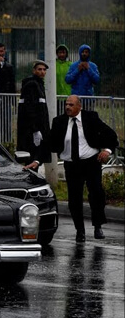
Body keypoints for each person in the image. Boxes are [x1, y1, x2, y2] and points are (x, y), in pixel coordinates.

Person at [50, 95, 118, 242]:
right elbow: (50, 142)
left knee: (96, 193)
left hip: (91, 162)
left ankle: (98, 226)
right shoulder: (59, 122)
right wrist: (37, 159)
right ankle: (79, 231)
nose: (68, 107)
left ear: (79, 106)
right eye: (66, 104)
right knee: (74, 199)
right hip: (71, 164)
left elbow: (111, 135)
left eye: (71, 105)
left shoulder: (91, 118)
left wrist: (106, 150)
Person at [17, 60, 51, 170]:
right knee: (32, 157)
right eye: (39, 69)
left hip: (37, 128)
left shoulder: (38, 84)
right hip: (32, 130)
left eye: (44, 70)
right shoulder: (32, 85)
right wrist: (35, 129)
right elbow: (29, 109)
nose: (42, 72)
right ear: (34, 70)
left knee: (36, 158)